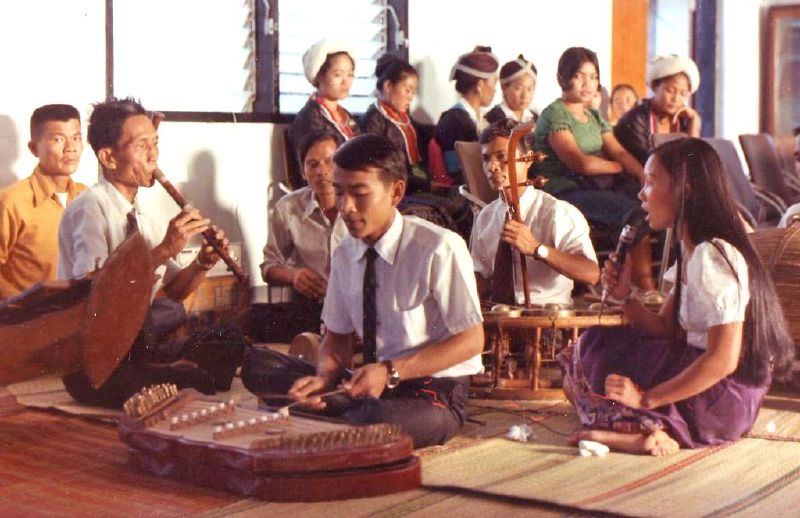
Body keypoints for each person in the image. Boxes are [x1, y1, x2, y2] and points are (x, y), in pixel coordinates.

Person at [241, 134, 484, 448]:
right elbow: (337, 337)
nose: (346, 207)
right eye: (339, 193)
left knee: (368, 420)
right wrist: (324, 379)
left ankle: (339, 418)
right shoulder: (345, 251)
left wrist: (391, 372)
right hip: (368, 382)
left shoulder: (438, 247)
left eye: (359, 194)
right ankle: (337, 413)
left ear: (396, 192)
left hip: (432, 391)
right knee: (258, 365)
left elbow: (472, 340)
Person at [560, 138, 794, 456]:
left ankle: (648, 423)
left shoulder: (712, 256)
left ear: (685, 189)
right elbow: (666, 328)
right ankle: (649, 428)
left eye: (651, 183)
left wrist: (647, 397)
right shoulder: (694, 248)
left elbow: (723, 359)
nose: (641, 194)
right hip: (718, 391)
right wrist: (625, 295)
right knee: (599, 341)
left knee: (594, 354)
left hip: (721, 398)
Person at [57, 98, 245, 408]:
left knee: (228, 340)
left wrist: (202, 263)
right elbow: (93, 290)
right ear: (109, 157)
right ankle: (168, 376)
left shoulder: (140, 216)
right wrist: (164, 249)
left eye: (154, 144)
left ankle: (163, 374)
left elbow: (173, 291)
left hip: (135, 348)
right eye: (142, 145)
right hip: (94, 362)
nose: (153, 155)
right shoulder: (91, 207)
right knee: (196, 381)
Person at [533, 47, 655, 293]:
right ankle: (642, 285)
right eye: (580, 76)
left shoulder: (593, 116)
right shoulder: (554, 113)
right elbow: (581, 163)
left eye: (593, 77)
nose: (588, 83)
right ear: (562, 78)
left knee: (648, 205)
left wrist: (645, 177)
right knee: (632, 213)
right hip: (563, 192)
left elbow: (619, 151)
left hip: (592, 188)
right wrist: (619, 167)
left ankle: (632, 285)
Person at [471, 120, 599, 306]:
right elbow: (480, 274)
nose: (492, 167)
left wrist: (537, 249)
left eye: (502, 157)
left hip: (546, 319)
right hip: (501, 316)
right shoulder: (486, 217)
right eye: (486, 158)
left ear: (529, 159)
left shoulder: (557, 213)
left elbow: (591, 273)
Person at [246, 130, 348, 342]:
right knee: (249, 319)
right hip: (314, 308)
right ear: (303, 172)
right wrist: (294, 276)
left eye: (330, 161)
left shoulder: (361, 205)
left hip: (357, 308)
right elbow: (269, 268)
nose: (322, 171)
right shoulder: (288, 207)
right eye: (313, 164)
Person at [0, 104, 86, 299]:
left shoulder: (86, 197)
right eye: (58, 139)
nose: (71, 148)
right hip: (27, 322)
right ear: (33, 148)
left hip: (79, 316)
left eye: (76, 138)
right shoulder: (12, 202)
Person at [286, 39, 360, 174]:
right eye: (338, 74)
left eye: (350, 74)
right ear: (319, 76)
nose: (346, 82)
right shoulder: (309, 117)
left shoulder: (346, 115)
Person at [614, 55, 701, 165]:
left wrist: (694, 121)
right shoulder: (634, 120)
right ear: (655, 86)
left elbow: (693, 159)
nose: (675, 98)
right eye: (670, 90)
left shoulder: (684, 119)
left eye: (683, 94)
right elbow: (651, 163)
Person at [434, 46, 499, 184]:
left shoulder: (474, 119)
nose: (495, 90)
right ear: (480, 85)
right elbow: (457, 171)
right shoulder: (455, 120)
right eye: (494, 83)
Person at [484, 55, 538, 126]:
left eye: (529, 89)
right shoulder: (492, 118)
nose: (524, 95)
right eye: (518, 88)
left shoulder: (536, 119)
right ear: (504, 87)